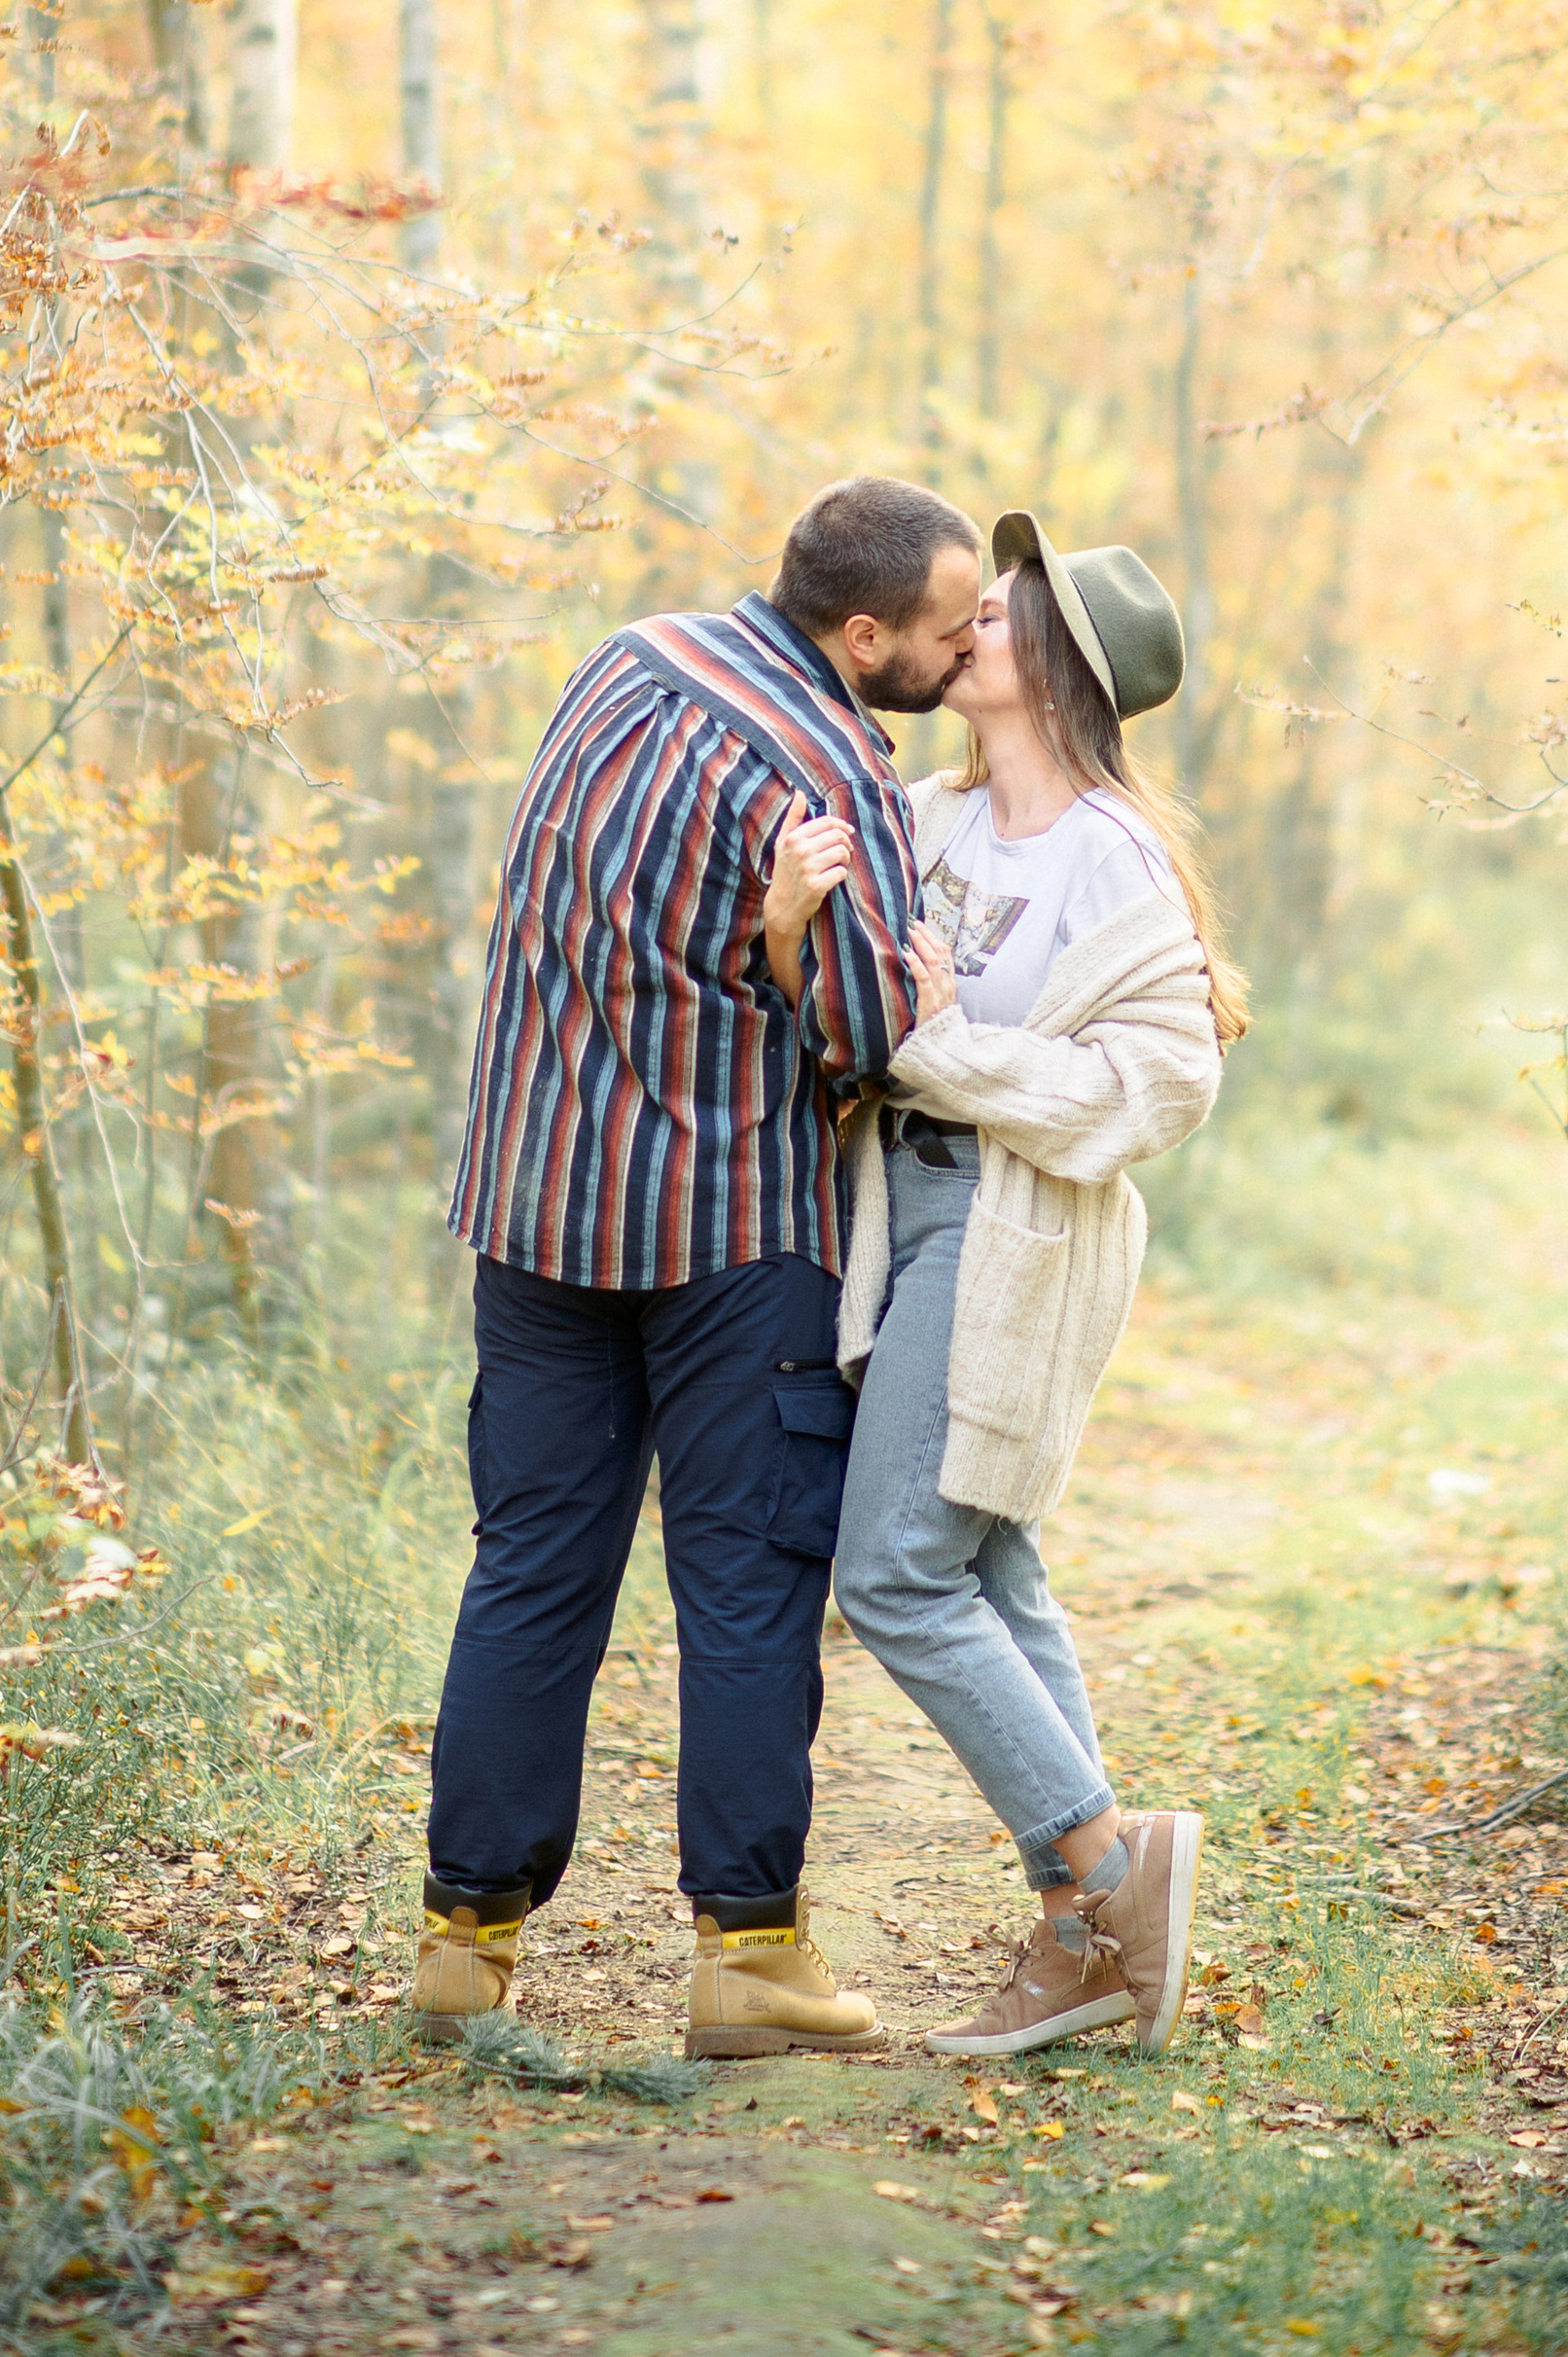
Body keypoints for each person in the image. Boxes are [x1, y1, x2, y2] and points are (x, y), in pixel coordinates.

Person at [417, 476, 982, 2059]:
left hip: (537, 1201)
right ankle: (749, 1963)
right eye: (942, 635)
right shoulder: (829, 772)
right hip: (732, 1230)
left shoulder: (623, 663)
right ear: (861, 635)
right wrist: (832, 966)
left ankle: (466, 1944)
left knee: (531, 1567)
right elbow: (879, 1033)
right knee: (745, 1581)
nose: (957, 659)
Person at [775, 510, 1246, 2059]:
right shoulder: (929, 815)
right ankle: (1081, 1940)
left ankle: (1114, 1866)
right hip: (896, 1210)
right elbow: (851, 1000)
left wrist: (942, 1051)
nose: (969, 619)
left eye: (1005, 609)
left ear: (1060, 668)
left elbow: (1155, 1092)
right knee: (991, 1569)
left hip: (1014, 1230)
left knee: (897, 1571)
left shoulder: (1113, 864)